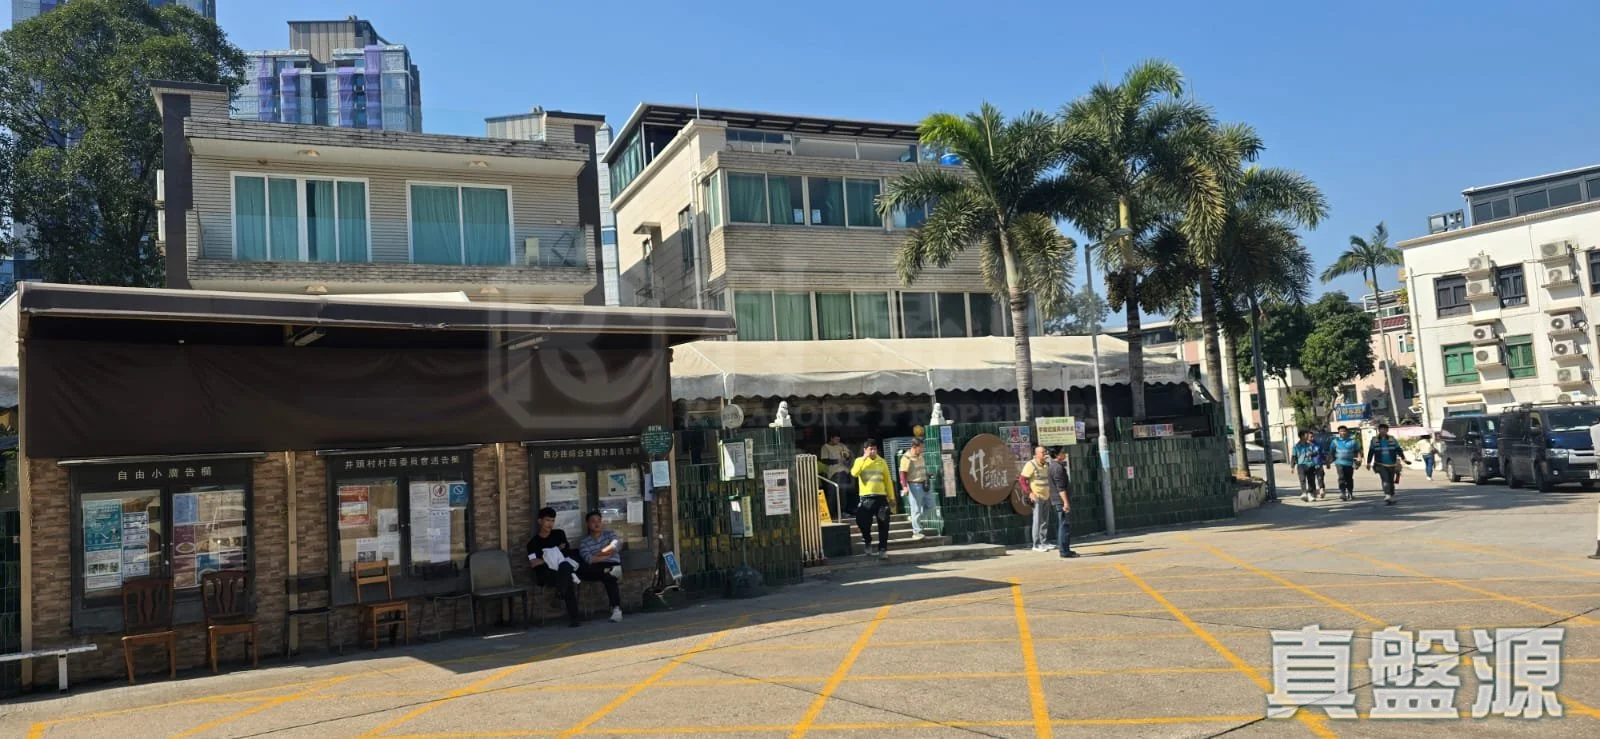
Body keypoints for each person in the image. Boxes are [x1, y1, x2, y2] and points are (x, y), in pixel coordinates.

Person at [527, 507, 585, 628]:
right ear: (540, 521)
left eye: (552, 520)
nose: (550, 524)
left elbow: (565, 553)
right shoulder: (533, 543)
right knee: (567, 578)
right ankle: (574, 616)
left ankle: (560, 594)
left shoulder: (559, 534)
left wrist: (547, 556)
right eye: (547, 520)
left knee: (565, 569)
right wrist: (554, 553)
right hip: (546, 573)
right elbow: (534, 563)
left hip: (562, 568)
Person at [574, 511, 624, 623]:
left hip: (611, 564)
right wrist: (607, 554)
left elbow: (615, 547)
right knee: (607, 572)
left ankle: (616, 609)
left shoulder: (610, 534)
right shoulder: (584, 542)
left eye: (599, 521)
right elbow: (589, 559)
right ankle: (616, 608)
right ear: (587, 524)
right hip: (596, 568)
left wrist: (597, 553)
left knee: (610, 575)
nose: (596, 524)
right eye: (593, 521)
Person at [850, 440, 893, 556]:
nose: (873, 451)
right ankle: (867, 541)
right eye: (870, 449)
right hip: (866, 498)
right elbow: (854, 473)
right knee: (863, 522)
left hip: (881, 497)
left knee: (884, 523)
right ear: (865, 450)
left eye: (875, 449)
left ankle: (882, 549)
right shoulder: (859, 461)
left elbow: (887, 480)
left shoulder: (882, 461)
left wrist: (891, 496)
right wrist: (864, 458)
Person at [1019, 446, 1053, 551]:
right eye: (1043, 452)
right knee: (1037, 521)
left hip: (1046, 496)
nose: (1045, 454)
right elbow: (1022, 480)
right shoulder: (1031, 464)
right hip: (1037, 497)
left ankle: (1044, 541)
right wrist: (1030, 493)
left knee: (1045, 520)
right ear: (1037, 454)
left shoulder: (1046, 465)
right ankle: (1036, 544)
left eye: (1045, 452)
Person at [1367, 423, 1409, 505]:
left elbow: (1398, 449)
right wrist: (1368, 462)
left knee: (1391, 481)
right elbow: (1371, 452)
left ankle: (1391, 496)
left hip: (1392, 464)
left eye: (1384, 429)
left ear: (1387, 430)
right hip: (1380, 464)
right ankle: (1387, 495)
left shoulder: (1392, 439)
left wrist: (1403, 458)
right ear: (1378, 430)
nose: (1382, 431)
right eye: (1381, 429)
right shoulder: (1374, 440)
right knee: (1385, 479)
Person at [898, 438, 932, 540]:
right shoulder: (906, 458)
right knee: (916, 509)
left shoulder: (920, 456)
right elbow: (903, 474)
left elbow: (921, 469)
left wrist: (927, 474)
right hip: (914, 485)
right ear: (914, 447)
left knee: (931, 506)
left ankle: (915, 519)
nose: (922, 449)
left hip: (924, 484)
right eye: (920, 447)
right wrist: (904, 487)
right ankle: (916, 532)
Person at [1048, 447, 1078, 558]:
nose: (1064, 454)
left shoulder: (1054, 466)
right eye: (1062, 452)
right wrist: (1065, 502)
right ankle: (1064, 551)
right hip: (1060, 500)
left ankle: (1065, 549)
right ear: (1057, 455)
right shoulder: (1057, 468)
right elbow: (1060, 487)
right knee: (1064, 525)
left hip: (1058, 500)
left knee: (1063, 524)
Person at [819, 434, 854, 517]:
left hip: (843, 471)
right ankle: (831, 512)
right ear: (831, 438)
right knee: (832, 493)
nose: (838, 441)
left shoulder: (841, 446)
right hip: (833, 473)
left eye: (839, 439)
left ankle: (842, 511)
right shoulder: (825, 447)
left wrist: (846, 458)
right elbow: (824, 460)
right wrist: (836, 461)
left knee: (843, 493)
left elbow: (848, 456)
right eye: (836, 439)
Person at [1331, 425, 1362, 501]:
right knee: (1341, 477)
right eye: (1341, 431)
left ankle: (1350, 493)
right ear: (1339, 432)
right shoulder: (1335, 441)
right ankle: (1343, 493)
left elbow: (1358, 451)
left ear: (1347, 432)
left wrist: (1359, 459)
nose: (1343, 432)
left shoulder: (1353, 441)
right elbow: (1331, 452)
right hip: (1339, 462)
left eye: (1344, 431)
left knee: (1349, 478)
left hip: (1349, 463)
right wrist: (1330, 461)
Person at [1292, 431, 1322, 502]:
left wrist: (1312, 453)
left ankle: (1310, 494)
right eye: (1306, 435)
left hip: (1310, 464)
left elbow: (1316, 453)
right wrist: (1292, 467)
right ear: (1302, 436)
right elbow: (1294, 457)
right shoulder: (1296, 446)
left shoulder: (1310, 445)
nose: (1308, 436)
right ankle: (1304, 493)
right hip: (1301, 465)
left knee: (1311, 480)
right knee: (1302, 479)